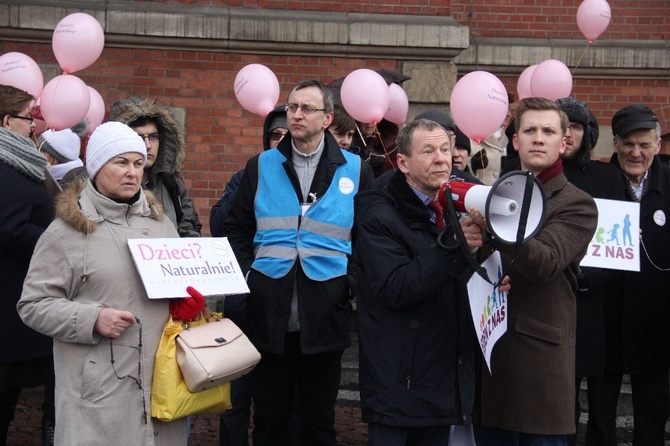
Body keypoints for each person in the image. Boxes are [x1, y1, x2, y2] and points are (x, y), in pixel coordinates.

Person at [17, 121, 190, 445]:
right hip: (99, 392)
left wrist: (187, 304)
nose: (132, 172)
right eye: (120, 162)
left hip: (161, 388)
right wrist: (91, 318)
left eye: (138, 163)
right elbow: (32, 305)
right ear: (96, 167)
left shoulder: (162, 225)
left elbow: (175, 290)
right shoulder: (67, 231)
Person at [223, 79, 374, 446]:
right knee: (270, 421)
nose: (297, 114)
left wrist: (348, 286)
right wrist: (249, 277)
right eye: (292, 107)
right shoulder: (260, 166)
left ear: (327, 118)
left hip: (325, 310)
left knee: (318, 423)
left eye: (307, 108)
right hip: (268, 310)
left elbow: (367, 238)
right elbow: (236, 228)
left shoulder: (356, 170)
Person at [353, 118, 510, 446]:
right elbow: (396, 287)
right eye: (428, 151)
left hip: (443, 377)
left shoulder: (453, 208)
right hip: (400, 382)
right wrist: (454, 245)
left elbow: (456, 280)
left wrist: (493, 276)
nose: (443, 159)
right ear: (403, 163)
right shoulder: (379, 214)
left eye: (445, 149)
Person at [473, 97, 598, 445]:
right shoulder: (494, 192)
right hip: (491, 357)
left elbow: (544, 262)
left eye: (548, 131)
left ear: (564, 141)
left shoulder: (576, 203)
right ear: (516, 141)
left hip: (538, 369)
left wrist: (495, 223)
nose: (538, 138)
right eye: (529, 130)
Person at [587, 104, 670, 446]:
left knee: (653, 416)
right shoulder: (597, 185)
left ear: (658, 145)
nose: (637, 152)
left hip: (656, 321)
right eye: (629, 144)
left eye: (645, 144)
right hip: (606, 319)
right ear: (616, 144)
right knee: (600, 413)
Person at [209, 104, 288, 446]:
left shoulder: (313, 182)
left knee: (279, 401)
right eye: (275, 135)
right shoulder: (248, 175)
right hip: (243, 304)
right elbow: (219, 224)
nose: (281, 141)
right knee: (235, 398)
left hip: (286, 308)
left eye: (288, 135)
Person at [554, 97, 627, 446]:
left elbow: (619, 248)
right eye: (560, 125)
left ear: (588, 133)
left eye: (576, 126)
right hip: (550, 305)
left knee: (602, 406)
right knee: (559, 406)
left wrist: (588, 279)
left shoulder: (608, 178)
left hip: (598, 309)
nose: (568, 133)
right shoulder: (530, 176)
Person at [0, 84, 55, 446]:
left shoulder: (17, 162)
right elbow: (10, 228)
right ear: (7, 121)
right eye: (29, 118)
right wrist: (56, 242)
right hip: (9, 304)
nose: (34, 126)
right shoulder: (7, 168)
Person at [108, 98, 202, 237]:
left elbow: (188, 230)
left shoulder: (172, 184)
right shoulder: (104, 185)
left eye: (153, 137)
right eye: (139, 137)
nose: (148, 145)